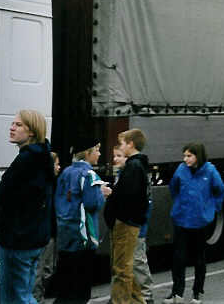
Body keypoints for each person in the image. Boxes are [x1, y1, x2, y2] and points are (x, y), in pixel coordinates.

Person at [0, 110, 54, 304]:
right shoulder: (42, 157)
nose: (12, 127)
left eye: (19, 125)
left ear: (32, 131)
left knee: (15, 297)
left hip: (18, 240)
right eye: (13, 123)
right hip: (33, 237)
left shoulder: (27, 161)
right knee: (25, 292)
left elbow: (10, 200)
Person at [163, 143, 224, 304]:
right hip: (182, 219)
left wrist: (212, 208)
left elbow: (220, 190)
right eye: (184, 156)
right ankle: (177, 292)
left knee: (199, 258)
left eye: (189, 156)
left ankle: (197, 292)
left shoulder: (210, 171)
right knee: (179, 258)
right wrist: (178, 204)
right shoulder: (181, 170)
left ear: (198, 156)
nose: (185, 159)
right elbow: (173, 188)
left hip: (200, 221)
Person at [53, 138, 111, 303]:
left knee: (65, 284)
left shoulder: (66, 172)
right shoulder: (89, 174)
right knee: (81, 287)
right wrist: (102, 193)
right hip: (83, 236)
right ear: (88, 152)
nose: (99, 154)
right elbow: (92, 204)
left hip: (65, 232)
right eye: (97, 150)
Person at [104, 129, 150, 304]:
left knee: (121, 269)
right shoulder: (137, 166)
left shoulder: (133, 167)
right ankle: (138, 301)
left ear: (130, 144)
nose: (121, 148)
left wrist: (112, 196)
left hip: (125, 222)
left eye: (122, 144)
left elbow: (128, 196)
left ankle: (120, 301)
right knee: (125, 268)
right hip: (129, 221)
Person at [114, 145, 155, 304]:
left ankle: (146, 295)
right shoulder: (122, 174)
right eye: (115, 156)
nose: (116, 159)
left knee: (137, 260)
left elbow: (143, 204)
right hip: (126, 226)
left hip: (135, 227)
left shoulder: (136, 176)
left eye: (120, 156)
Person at [33, 152, 60, 303]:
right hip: (43, 234)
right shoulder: (44, 186)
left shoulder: (52, 184)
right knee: (41, 270)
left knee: (47, 270)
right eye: (57, 164)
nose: (59, 167)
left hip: (49, 233)